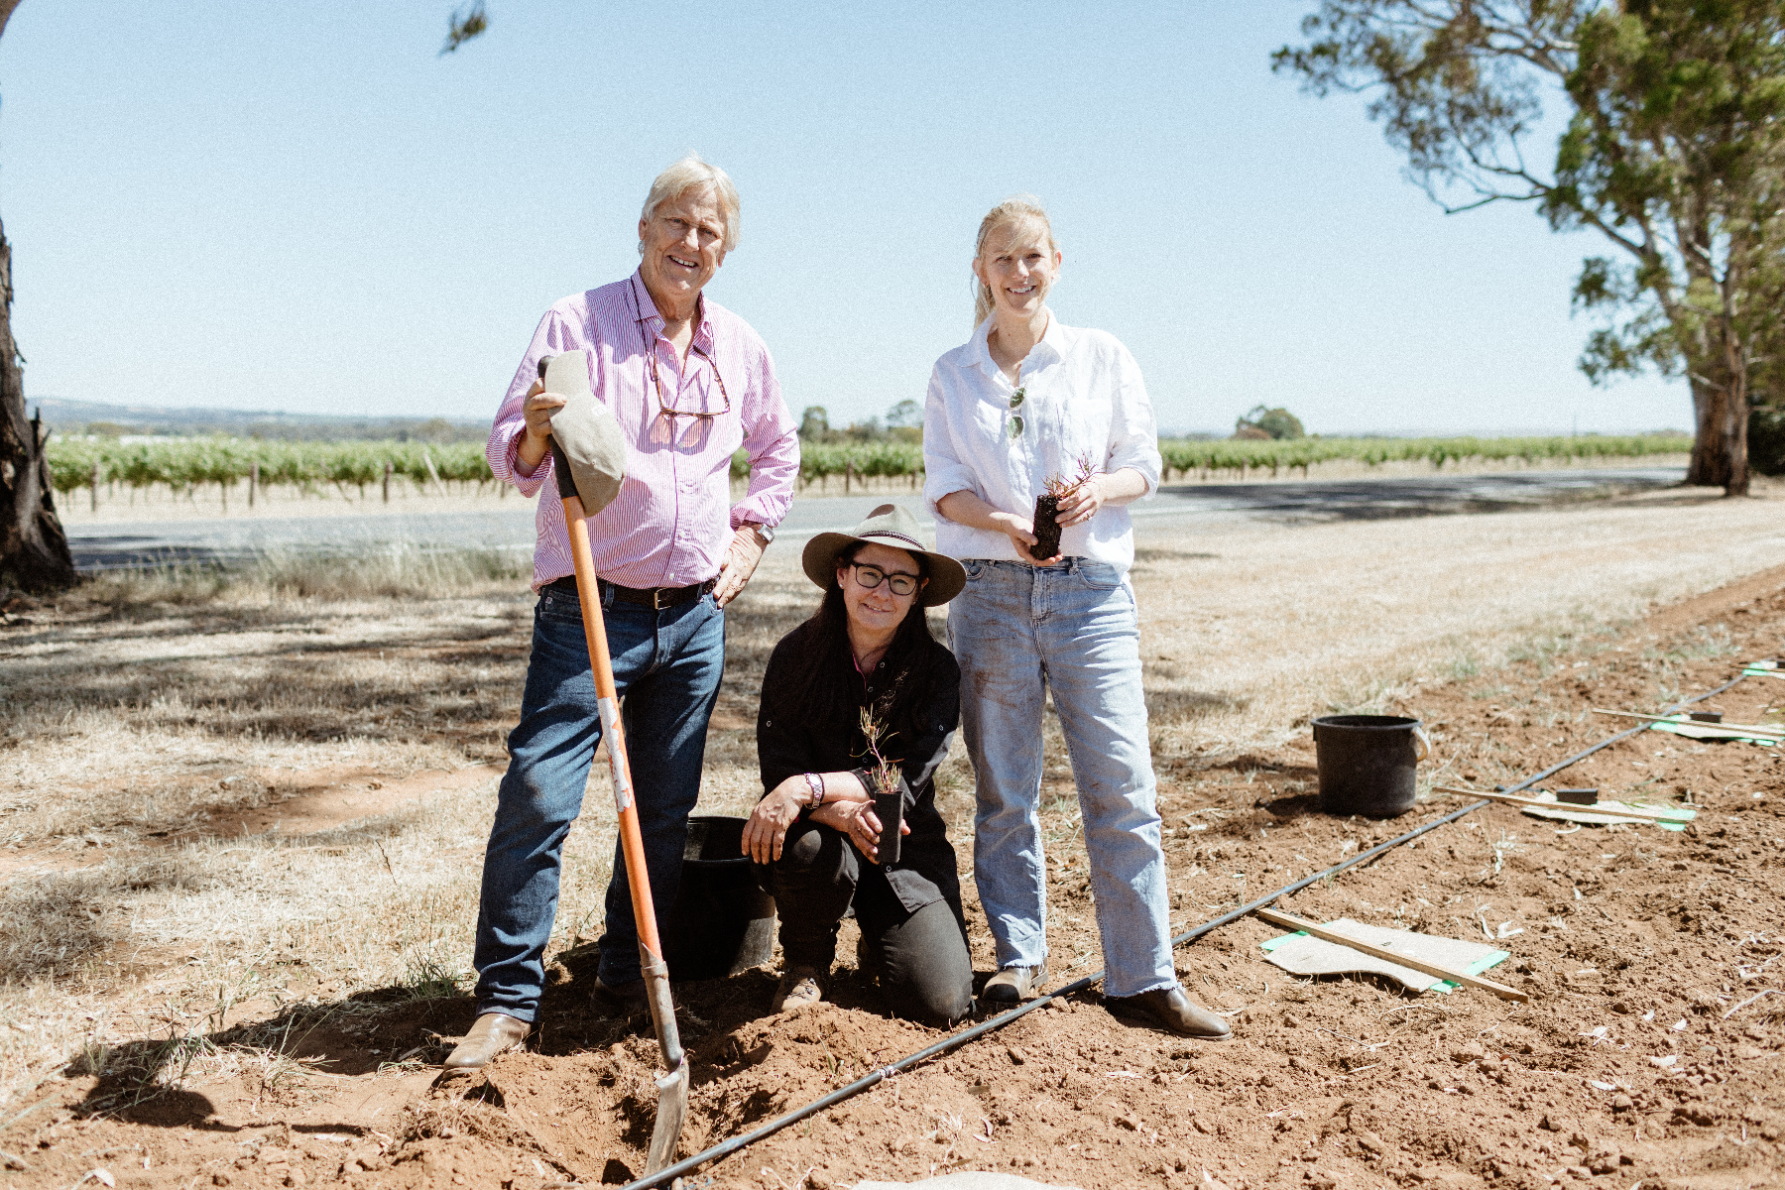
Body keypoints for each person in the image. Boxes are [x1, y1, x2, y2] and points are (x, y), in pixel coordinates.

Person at [446, 154, 800, 1070]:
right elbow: (508, 452)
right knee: (538, 794)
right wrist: (533, 428)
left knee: (659, 809)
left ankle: (623, 972)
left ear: (725, 251)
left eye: (709, 232)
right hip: (586, 605)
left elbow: (778, 448)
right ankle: (508, 999)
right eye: (676, 223)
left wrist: (753, 536)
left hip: (692, 619)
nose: (691, 243)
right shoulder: (577, 323)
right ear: (643, 227)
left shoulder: (741, 347)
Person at [920, 195, 1229, 1040]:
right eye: (1001, 260)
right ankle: (1019, 962)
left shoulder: (1100, 355)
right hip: (988, 593)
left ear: (1056, 263)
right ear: (979, 272)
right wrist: (1002, 524)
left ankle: (1142, 977)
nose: (1018, 274)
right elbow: (942, 486)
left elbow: (1145, 464)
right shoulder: (953, 372)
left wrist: (1102, 490)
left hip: (1090, 595)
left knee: (1121, 787)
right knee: (1003, 792)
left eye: (1032, 258)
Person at [743, 504, 974, 1023]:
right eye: (870, 574)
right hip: (818, 844)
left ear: (919, 593)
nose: (881, 592)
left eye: (900, 581)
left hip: (903, 843)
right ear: (843, 575)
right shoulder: (793, 657)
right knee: (803, 845)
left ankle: (881, 931)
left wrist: (810, 788)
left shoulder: (937, 671)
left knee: (941, 1003)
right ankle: (805, 962)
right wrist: (834, 810)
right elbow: (780, 778)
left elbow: (903, 782)